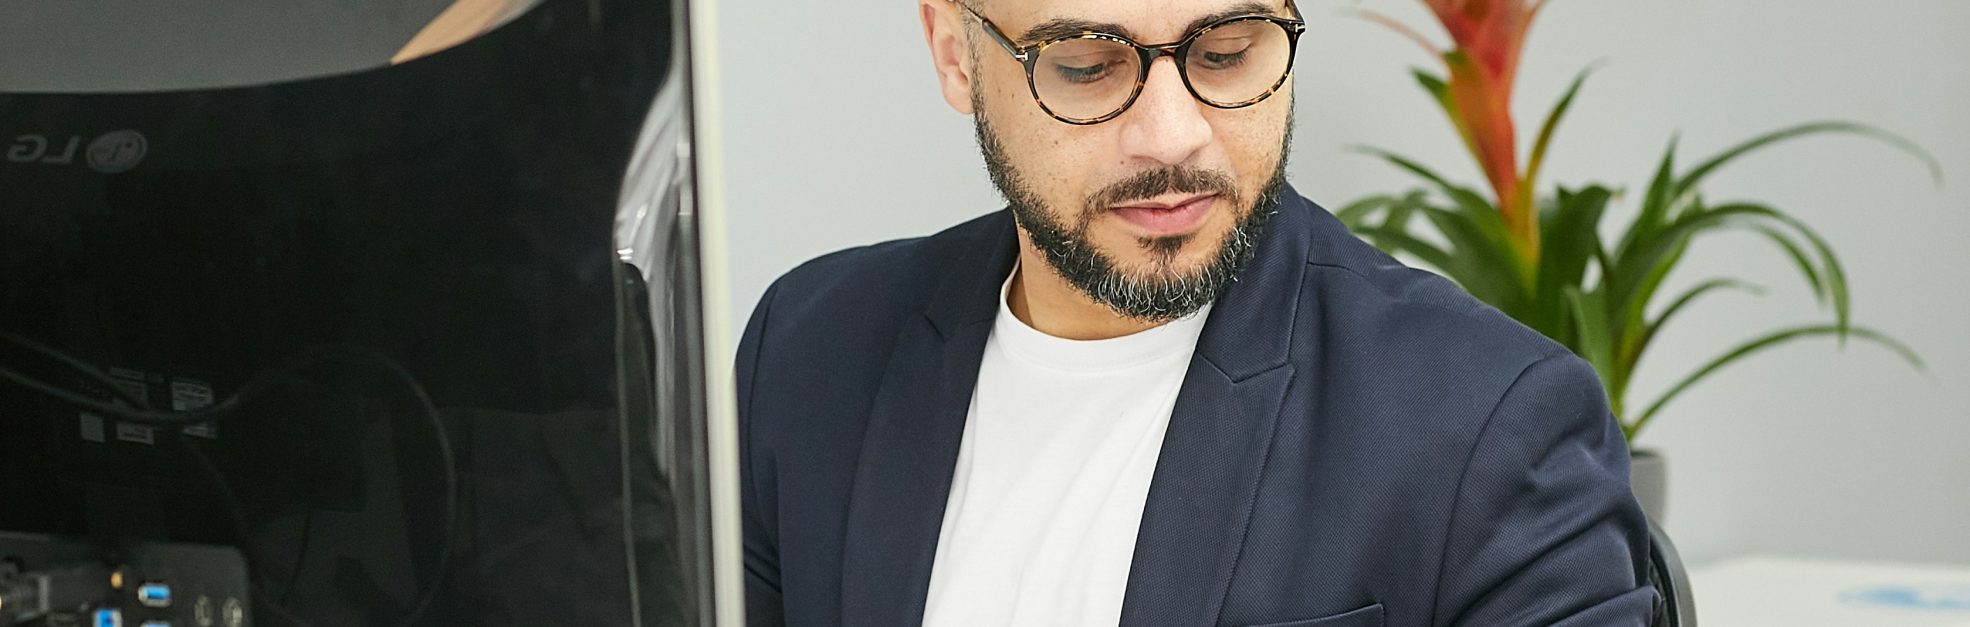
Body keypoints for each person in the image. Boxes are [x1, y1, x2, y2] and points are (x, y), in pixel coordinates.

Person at [736, 0, 1658, 624]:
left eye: (1226, 53)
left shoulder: (1490, 424)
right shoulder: (808, 349)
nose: (1173, 136)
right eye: (1088, 66)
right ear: (954, 54)